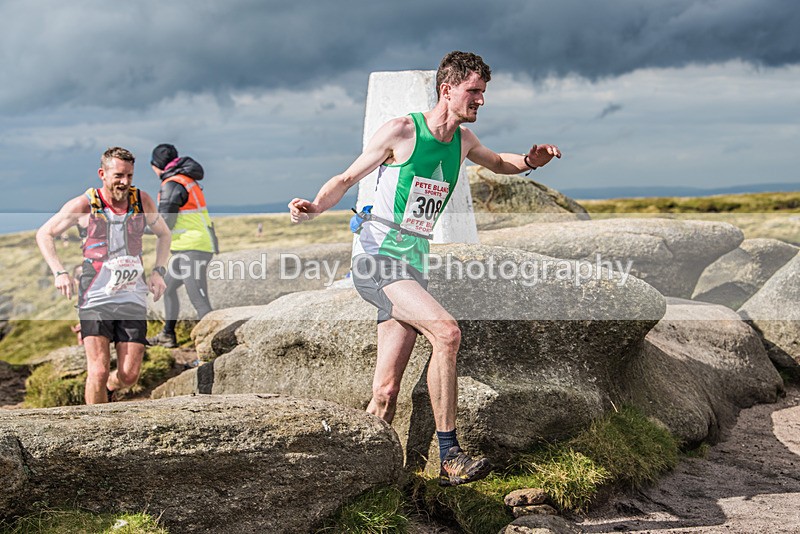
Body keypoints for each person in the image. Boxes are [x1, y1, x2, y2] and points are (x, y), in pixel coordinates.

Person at [289, 51, 562, 486]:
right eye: (474, 91)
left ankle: (357, 481)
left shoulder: (463, 140)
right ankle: (450, 454)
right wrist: (315, 207)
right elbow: (346, 178)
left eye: (483, 92)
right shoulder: (401, 131)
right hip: (378, 260)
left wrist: (530, 162)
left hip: (412, 265)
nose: (481, 100)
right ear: (447, 89)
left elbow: (498, 163)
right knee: (447, 332)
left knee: (385, 392)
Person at [36, 147, 171, 404]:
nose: (125, 182)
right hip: (95, 296)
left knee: (129, 375)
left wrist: (158, 272)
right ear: (102, 174)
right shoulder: (84, 204)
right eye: (119, 175)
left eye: (129, 175)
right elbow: (45, 233)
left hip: (131, 295)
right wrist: (60, 272)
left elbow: (164, 234)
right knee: (97, 371)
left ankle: (111, 387)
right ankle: (94, 423)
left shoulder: (142, 201)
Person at [146, 144, 217, 348]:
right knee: (168, 289)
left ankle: (215, 348)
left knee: (199, 301)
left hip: (193, 248)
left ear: (157, 165)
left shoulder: (171, 184)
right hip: (188, 248)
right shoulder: (185, 180)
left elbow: (166, 223)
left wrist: (138, 228)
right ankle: (168, 335)